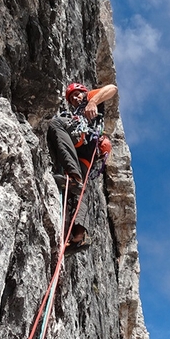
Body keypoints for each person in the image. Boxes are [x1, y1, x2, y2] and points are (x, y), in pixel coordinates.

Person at [47, 82, 117, 253]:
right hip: (84, 155)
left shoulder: (91, 98)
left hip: (84, 139)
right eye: (72, 98)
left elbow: (112, 89)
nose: (76, 98)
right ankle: (79, 235)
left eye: (77, 94)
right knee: (78, 191)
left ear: (84, 92)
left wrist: (93, 102)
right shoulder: (78, 110)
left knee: (56, 123)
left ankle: (74, 177)